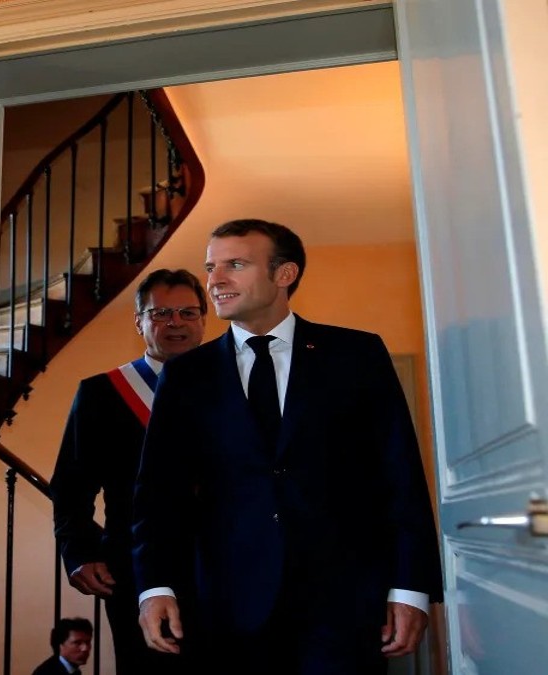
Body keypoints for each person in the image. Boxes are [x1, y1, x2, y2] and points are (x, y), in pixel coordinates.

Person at [131, 219, 443, 673]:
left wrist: (410, 587)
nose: (215, 280)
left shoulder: (356, 355)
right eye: (211, 267)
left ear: (285, 274)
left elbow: (400, 475)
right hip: (226, 609)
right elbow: (158, 493)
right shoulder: (185, 375)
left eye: (234, 264)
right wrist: (154, 586)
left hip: (344, 605)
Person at [50, 268, 206, 673]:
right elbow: (71, 486)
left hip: (228, 565)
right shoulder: (103, 393)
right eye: (161, 313)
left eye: (188, 313)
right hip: (136, 568)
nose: (176, 323)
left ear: (205, 320)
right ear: (139, 322)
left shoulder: (234, 386)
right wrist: (79, 552)